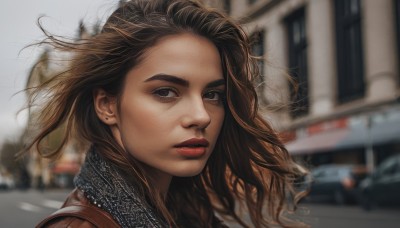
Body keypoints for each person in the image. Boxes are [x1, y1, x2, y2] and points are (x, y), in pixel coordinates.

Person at [28, 0, 307, 227]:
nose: (201, 116)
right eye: (165, 92)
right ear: (107, 106)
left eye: (212, 94)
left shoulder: (188, 209)